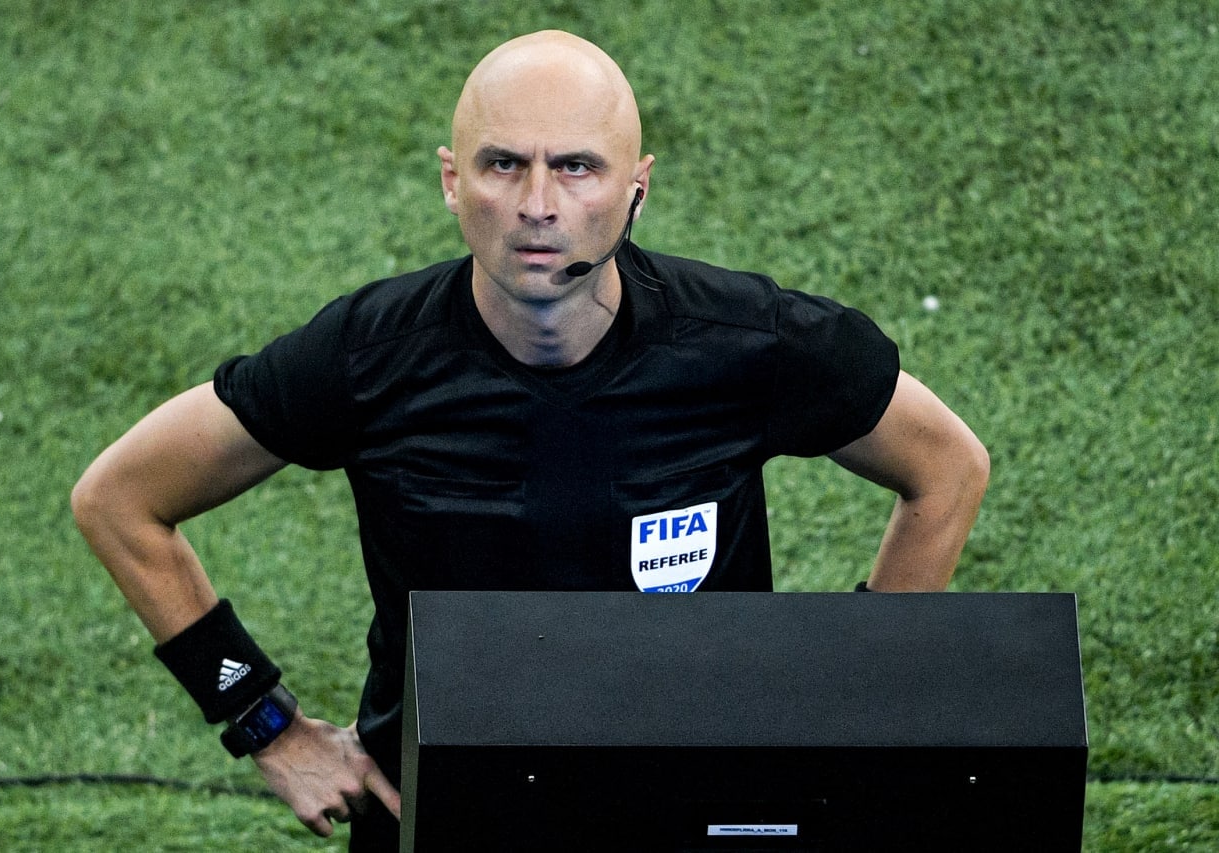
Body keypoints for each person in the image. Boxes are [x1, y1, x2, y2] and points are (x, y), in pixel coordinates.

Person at [71, 29, 989, 851]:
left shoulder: (749, 343)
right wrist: (263, 722)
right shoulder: (365, 356)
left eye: (578, 167)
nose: (538, 203)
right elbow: (121, 499)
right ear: (451, 180)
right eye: (504, 164)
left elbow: (946, 468)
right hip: (445, 810)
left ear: (638, 188)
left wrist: (849, 709)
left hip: (690, 806)